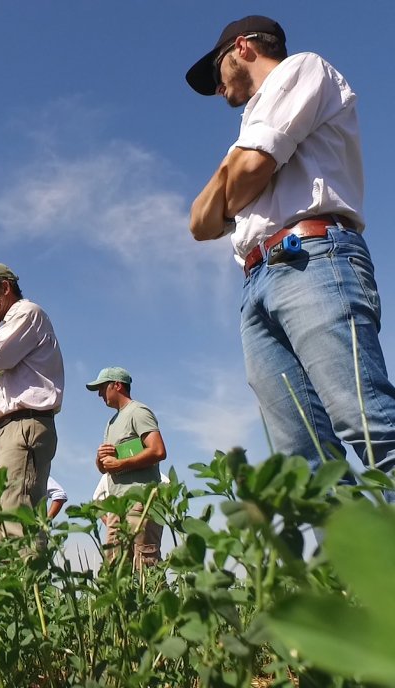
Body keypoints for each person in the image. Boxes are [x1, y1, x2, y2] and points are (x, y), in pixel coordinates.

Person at [187, 16, 395, 481]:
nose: (217, 88)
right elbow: (198, 225)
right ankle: (354, 556)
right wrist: (235, 172)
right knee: (305, 465)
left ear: (242, 47)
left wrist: (233, 176)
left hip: (314, 258)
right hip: (256, 281)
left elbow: (250, 170)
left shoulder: (302, 70)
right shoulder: (252, 122)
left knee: (371, 424)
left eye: (217, 70)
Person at [0, 261, 65, 546]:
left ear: (3, 287)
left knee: (18, 521)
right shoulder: (12, 324)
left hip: (22, 427)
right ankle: (15, 588)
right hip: (7, 430)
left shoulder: (26, 313)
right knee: (5, 523)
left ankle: (28, 591)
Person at [87, 367, 166, 568]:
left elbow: (158, 451)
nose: (99, 394)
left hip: (140, 502)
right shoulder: (111, 423)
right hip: (117, 505)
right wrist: (100, 458)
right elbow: (105, 468)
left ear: (118, 385)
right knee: (115, 567)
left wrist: (121, 463)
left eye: (102, 387)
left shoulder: (138, 412)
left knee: (145, 564)